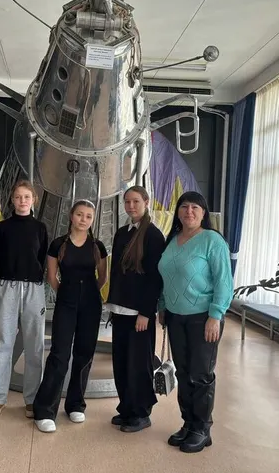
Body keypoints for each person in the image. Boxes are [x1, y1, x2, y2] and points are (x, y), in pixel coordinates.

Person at [157, 191, 233, 453]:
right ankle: (188, 423)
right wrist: (162, 306)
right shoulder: (172, 240)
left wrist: (216, 315)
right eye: (184, 206)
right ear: (178, 212)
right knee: (183, 372)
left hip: (203, 318)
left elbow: (224, 282)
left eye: (195, 207)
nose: (189, 211)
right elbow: (166, 278)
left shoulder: (213, 241)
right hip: (175, 317)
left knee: (200, 374)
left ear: (203, 213)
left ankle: (202, 428)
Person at [32, 200, 108, 433]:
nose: (83, 219)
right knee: (59, 354)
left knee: (84, 353)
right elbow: (52, 277)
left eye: (88, 216)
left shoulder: (97, 246)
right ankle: (45, 410)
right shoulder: (58, 244)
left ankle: (75, 404)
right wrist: (68, 292)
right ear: (71, 216)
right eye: (79, 214)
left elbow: (102, 278)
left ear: (92, 220)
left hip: (91, 305)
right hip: (66, 303)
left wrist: (87, 294)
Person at [0, 180, 49, 418]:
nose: (22, 201)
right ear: (12, 200)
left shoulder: (40, 228)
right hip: (6, 287)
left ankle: (32, 398)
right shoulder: (2, 228)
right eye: (18, 197)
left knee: (34, 345)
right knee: (2, 343)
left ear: (33, 200)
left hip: (33, 289)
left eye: (26, 197)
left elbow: (42, 258)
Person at [105, 186, 165, 433]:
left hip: (139, 314)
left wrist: (145, 312)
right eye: (127, 202)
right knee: (121, 362)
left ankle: (141, 413)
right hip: (120, 309)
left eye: (136, 201)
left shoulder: (153, 235)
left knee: (138, 365)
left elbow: (155, 278)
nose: (131, 206)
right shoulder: (122, 233)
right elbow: (117, 273)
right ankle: (126, 408)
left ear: (146, 202)